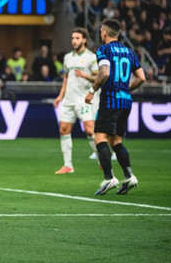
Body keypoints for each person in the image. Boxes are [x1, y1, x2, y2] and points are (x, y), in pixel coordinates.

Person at [85, 19, 145, 195]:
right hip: (125, 101)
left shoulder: (104, 49)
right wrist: (125, 89)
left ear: (104, 32)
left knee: (99, 136)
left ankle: (109, 178)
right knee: (116, 141)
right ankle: (129, 176)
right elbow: (141, 77)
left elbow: (104, 73)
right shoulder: (129, 52)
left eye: (101, 32)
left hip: (111, 100)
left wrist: (91, 91)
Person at [53, 28, 100, 174]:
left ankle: (101, 159)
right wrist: (60, 96)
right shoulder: (67, 57)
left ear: (84, 40)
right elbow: (66, 78)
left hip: (83, 99)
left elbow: (98, 78)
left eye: (77, 38)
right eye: (73, 38)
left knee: (90, 130)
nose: (74, 41)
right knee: (63, 129)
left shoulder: (91, 57)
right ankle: (68, 165)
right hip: (68, 99)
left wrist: (85, 76)